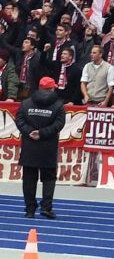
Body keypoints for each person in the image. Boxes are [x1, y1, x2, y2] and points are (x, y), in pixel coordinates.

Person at [16, 76, 66, 219]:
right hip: (48, 146)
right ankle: (46, 208)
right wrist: (43, 133)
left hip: (30, 146)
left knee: (29, 179)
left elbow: (19, 119)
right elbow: (59, 124)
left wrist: (29, 131)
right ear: (51, 88)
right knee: (49, 178)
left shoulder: (26, 103)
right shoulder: (58, 105)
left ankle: (30, 210)